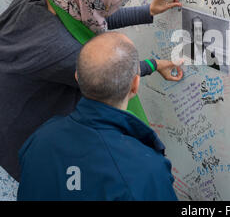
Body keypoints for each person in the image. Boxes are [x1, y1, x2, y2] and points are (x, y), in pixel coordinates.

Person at [0, 0, 183, 181]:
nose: (108, 13)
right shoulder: (61, 49)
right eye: (110, 8)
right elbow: (113, 73)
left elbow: (91, 17)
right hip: (22, 121)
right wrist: (155, 64)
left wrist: (148, 11)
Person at [17, 32, 178, 200]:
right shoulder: (147, 171)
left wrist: (154, 64)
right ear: (135, 86)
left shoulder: (40, 138)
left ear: (77, 77)